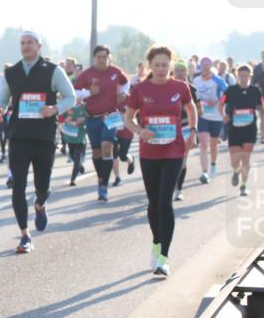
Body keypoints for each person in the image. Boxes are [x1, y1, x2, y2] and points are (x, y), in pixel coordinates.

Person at [0, 30, 76, 253]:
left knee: (43, 187)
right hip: (19, 135)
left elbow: (71, 97)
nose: (26, 46)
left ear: (39, 46)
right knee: (18, 186)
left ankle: (40, 205)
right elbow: (3, 98)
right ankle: (24, 235)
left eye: (30, 42)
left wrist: (54, 109)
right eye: (22, 43)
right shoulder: (12, 72)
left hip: (44, 136)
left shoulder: (53, 70)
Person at [123, 46, 197, 278]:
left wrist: (193, 130)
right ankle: (156, 243)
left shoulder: (180, 87)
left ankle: (164, 258)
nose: (161, 69)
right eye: (157, 65)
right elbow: (128, 118)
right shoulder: (140, 89)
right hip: (149, 151)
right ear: (150, 66)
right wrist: (139, 131)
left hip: (174, 150)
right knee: (154, 203)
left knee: (165, 202)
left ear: (171, 65)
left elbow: (191, 108)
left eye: (165, 64)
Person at [74, 45, 131, 201]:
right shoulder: (87, 74)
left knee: (107, 147)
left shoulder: (115, 72)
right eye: (98, 57)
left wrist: (123, 93)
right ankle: (101, 179)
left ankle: (104, 186)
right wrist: (89, 93)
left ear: (108, 58)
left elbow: (125, 83)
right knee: (96, 152)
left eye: (104, 57)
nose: (101, 59)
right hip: (92, 118)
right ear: (94, 58)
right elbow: (75, 92)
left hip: (110, 117)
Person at [222, 65, 264, 197]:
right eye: (241, 76)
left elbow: (262, 105)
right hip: (234, 128)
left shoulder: (256, 90)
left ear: (250, 76)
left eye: (245, 76)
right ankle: (236, 171)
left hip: (250, 128)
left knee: (246, 157)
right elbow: (220, 103)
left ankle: (243, 186)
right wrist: (223, 115)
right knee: (234, 160)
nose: (243, 79)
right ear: (237, 76)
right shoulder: (230, 90)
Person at [192, 57, 228, 182]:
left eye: (208, 65)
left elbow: (228, 93)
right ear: (200, 67)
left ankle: (213, 165)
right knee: (203, 143)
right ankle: (204, 172)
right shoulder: (196, 80)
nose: (206, 67)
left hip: (216, 116)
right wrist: (197, 106)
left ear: (211, 66)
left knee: (213, 146)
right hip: (202, 116)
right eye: (203, 65)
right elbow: (193, 95)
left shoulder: (217, 80)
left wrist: (219, 101)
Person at [172, 60, 199, 201]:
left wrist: (194, 128)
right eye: (177, 70)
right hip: (171, 127)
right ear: (173, 72)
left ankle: (179, 189)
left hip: (186, 126)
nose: (180, 73)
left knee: (182, 158)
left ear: (186, 72)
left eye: (182, 70)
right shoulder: (168, 87)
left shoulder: (192, 89)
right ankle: (169, 184)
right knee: (169, 158)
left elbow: (199, 110)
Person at [59, 97, 88, 186]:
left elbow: (80, 121)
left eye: (80, 96)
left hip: (80, 137)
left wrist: (70, 121)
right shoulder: (68, 107)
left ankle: (73, 179)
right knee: (72, 156)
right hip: (70, 137)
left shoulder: (85, 107)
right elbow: (62, 118)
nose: (78, 98)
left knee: (77, 157)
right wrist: (67, 121)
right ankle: (80, 166)